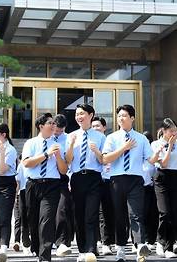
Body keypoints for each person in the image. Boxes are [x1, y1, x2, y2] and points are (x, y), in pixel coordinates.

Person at [102, 104, 155, 262]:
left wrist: (159, 154)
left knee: (136, 214)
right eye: (119, 116)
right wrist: (123, 148)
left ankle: (140, 246)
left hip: (135, 180)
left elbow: (150, 159)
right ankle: (120, 249)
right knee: (119, 215)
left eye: (124, 115)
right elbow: (105, 159)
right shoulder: (111, 138)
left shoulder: (141, 138)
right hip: (117, 179)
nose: (121, 118)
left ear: (132, 118)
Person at [22, 113, 68, 262]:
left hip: (52, 185)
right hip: (33, 184)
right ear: (41, 126)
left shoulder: (58, 145)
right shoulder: (31, 143)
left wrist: (59, 156)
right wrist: (46, 154)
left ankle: (45, 256)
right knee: (33, 220)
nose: (54, 125)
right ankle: (37, 248)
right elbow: (27, 163)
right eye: (50, 123)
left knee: (46, 220)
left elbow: (63, 170)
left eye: (54, 123)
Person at [65, 104, 106, 262]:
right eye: (76, 114)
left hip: (94, 177)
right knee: (79, 214)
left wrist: (96, 151)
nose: (78, 117)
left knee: (91, 214)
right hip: (77, 178)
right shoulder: (71, 135)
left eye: (81, 113)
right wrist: (70, 145)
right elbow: (68, 161)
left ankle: (90, 249)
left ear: (91, 115)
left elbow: (103, 160)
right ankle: (82, 249)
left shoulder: (100, 137)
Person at [151, 118, 177, 259]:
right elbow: (163, 164)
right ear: (163, 131)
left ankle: (167, 243)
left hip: (175, 177)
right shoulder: (155, 144)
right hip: (161, 177)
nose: (174, 134)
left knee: (174, 213)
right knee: (165, 212)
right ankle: (162, 242)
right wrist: (169, 146)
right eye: (171, 131)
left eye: (176, 131)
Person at [0, 123, 18, 262]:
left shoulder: (11, 149)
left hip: (6, 183)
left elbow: (2, 170)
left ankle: (3, 247)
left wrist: (2, 152)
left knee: (4, 216)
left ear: (3, 135)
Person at [92, 116, 114, 256]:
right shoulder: (89, 142)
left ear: (104, 127)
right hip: (92, 180)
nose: (95, 128)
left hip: (107, 180)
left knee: (106, 212)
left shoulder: (109, 141)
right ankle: (95, 242)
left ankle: (107, 242)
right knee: (93, 212)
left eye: (98, 126)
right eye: (93, 126)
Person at [52, 114, 74, 257]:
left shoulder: (68, 139)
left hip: (63, 178)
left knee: (62, 210)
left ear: (64, 128)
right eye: (55, 129)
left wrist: (71, 179)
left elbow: (71, 161)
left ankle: (62, 242)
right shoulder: (46, 137)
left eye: (60, 130)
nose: (57, 132)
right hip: (47, 179)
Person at [12, 157, 31, 254]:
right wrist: (16, 196)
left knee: (27, 219)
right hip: (22, 193)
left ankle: (27, 242)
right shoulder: (21, 165)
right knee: (21, 219)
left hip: (33, 192)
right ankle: (20, 242)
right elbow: (17, 181)